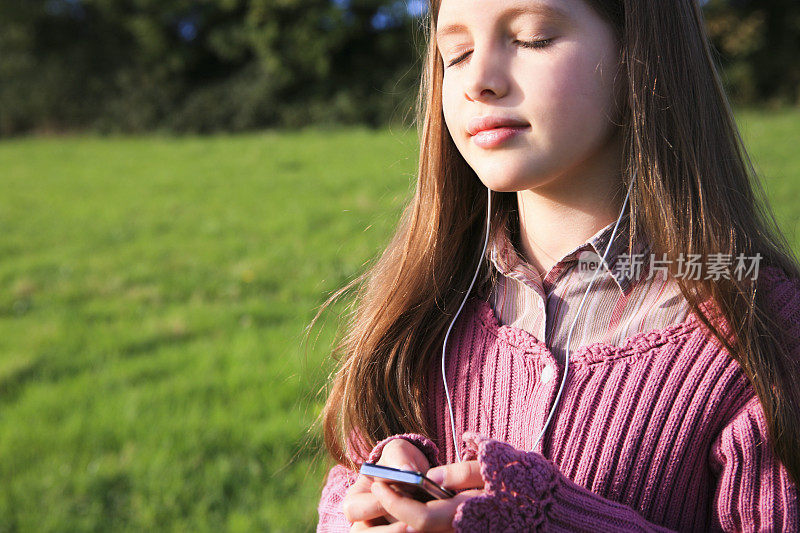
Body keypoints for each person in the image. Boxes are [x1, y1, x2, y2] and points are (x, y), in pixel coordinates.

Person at [308, 0, 800, 530]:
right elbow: (343, 489)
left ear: (641, 53)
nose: (480, 80)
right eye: (457, 52)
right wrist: (371, 505)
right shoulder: (422, 311)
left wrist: (546, 520)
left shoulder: (761, 330)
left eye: (533, 38)